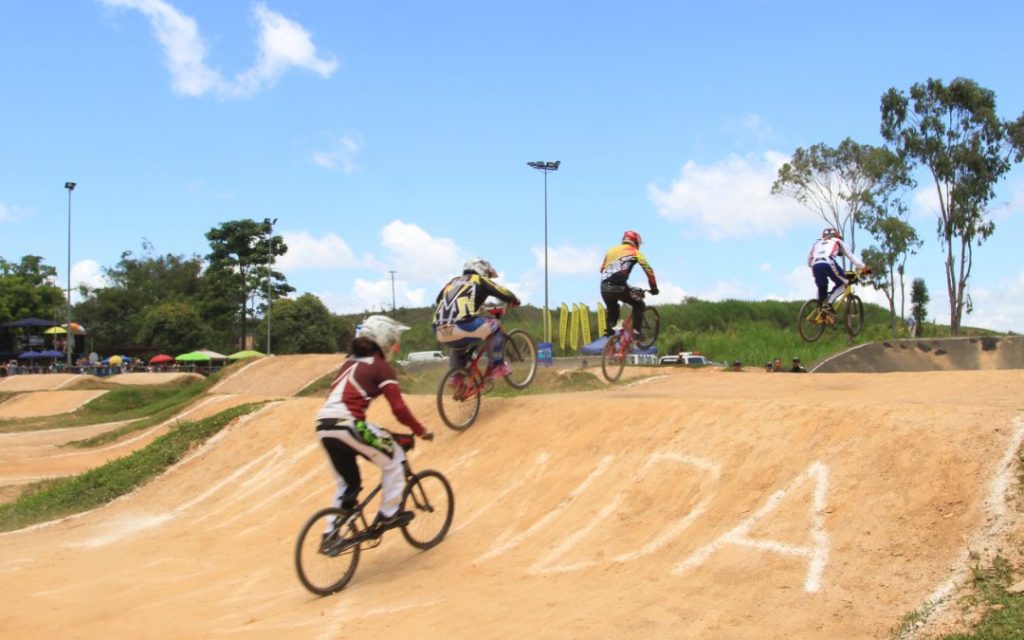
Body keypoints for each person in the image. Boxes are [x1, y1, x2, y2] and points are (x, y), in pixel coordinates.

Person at [314, 315, 434, 538]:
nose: (394, 345)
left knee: (347, 484)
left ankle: (331, 534)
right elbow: (398, 408)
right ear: (385, 340)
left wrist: (384, 433)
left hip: (324, 425)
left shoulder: (347, 363)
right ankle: (389, 513)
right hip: (348, 424)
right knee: (395, 458)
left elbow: (344, 405)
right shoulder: (381, 367)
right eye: (393, 340)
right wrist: (420, 430)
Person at [433, 257, 521, 381]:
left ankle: (456, 377)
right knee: (495, 325)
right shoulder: (480, 279)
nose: (488, 276)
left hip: (439, 329)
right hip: (462, 324)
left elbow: (439, 300)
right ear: (481, 269)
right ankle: (496, 366)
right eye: (487, 273)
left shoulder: (452, 282)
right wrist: (514, 300)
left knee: (458, 345)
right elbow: (504, 292)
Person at [600, 230, 659, 338]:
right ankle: (636, 332)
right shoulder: (635, 252)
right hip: (619, 287)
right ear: (635, 242)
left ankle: (610, 333)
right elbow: (648, 270)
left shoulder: (610, 251)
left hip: (603, 288)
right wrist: (653, 287)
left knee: (613, 309)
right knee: (639, 304)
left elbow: (602, 269)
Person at [807, 227, 870, 321]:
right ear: (837, 236)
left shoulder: (817, 243)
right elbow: (850, 256)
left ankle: (822, 307)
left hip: (815, 265)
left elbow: (809, 260)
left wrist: (814, 267)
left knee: (822, 286)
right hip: (828, 262)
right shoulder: (838, 241)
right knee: (845, 283)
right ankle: (828, 304)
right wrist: (864, 268)